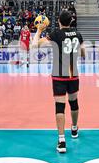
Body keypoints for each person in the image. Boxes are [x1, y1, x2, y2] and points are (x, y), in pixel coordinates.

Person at [31, 11, 86, 154]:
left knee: (60, 107)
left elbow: (34, 45)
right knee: (74, 102)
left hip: (59, 76)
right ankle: (74, 128)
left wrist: (38, 30)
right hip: (73, 75)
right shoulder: (78, 34)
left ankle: (61, 140)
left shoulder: (56, 34)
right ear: (71, 21)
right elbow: (83, 53)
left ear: (59, 22)